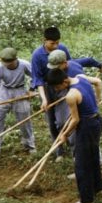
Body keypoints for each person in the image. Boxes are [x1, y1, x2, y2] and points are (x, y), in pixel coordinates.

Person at [47, 68, 102, 203]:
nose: (57, 89)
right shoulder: (81, 77)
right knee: (93, 155)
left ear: (65, 81)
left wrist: (64, 134)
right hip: (97, 121)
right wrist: (98, 100)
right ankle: (97, 187)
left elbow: (75, 120)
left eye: (58, 87)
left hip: (86, 125)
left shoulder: (71, 95)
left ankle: (86, 199)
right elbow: (97, 82)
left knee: (82, 162)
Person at [0, 47, 36, 161]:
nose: (7, 65)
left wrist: (31, 89)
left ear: (15, 59)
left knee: (24, 119)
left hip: (20, 92)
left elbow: (35, 76)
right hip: (4, 92)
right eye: (5, 63)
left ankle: (29, 146)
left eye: (9, 63)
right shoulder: (0, 66)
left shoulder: (24, 64)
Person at [31, 27, 73, 160]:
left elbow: (69, 65)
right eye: (52, 43)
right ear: (44, 41)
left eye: (57, 43)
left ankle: (72, 145)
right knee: (51, 121)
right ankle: (58, 150)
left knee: (63, 119)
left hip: (61, 87)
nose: (55, 46)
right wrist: (44, 99)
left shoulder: (62, 49)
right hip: (47, 89)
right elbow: (38, 80)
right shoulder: (37, 55)